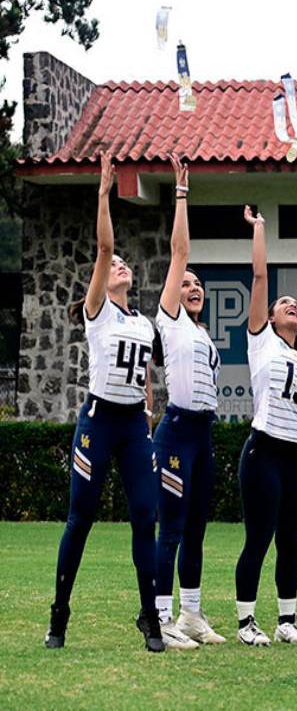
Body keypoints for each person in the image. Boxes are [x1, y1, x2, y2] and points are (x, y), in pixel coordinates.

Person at [46, 150, 164, 652]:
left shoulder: (141, 322)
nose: (117, 265)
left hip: (133, 425)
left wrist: (149, 404)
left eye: (122, 265)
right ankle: (59, 614)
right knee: (81, 515)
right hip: (98, 420)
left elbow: (144, 374)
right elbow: (102, 247)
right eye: (112, 264)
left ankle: (149, 616)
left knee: (145, 514)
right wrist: (102, 193)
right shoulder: (98, 312)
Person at [233, 205, 297, 647]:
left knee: (291, 541)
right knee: (260, 538)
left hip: (296, 459)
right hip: (264, 451)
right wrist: (260, 229)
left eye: (295, 304)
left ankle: (287, 620)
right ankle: (246, 622)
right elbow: (259, 279)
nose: (291, 304)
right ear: (269, 318)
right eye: (282, 304)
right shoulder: (261, 342)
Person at [151, 155, 224, 649]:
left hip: (203, 432)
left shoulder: (204, 335)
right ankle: (158, 617)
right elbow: (179, 253)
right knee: (172, 528)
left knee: (196, 527)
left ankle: (191, 614)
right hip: (176, 430)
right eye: (186, 283)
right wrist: (181, 194)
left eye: (199, 285)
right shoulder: (170, 320)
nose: (192, 287)